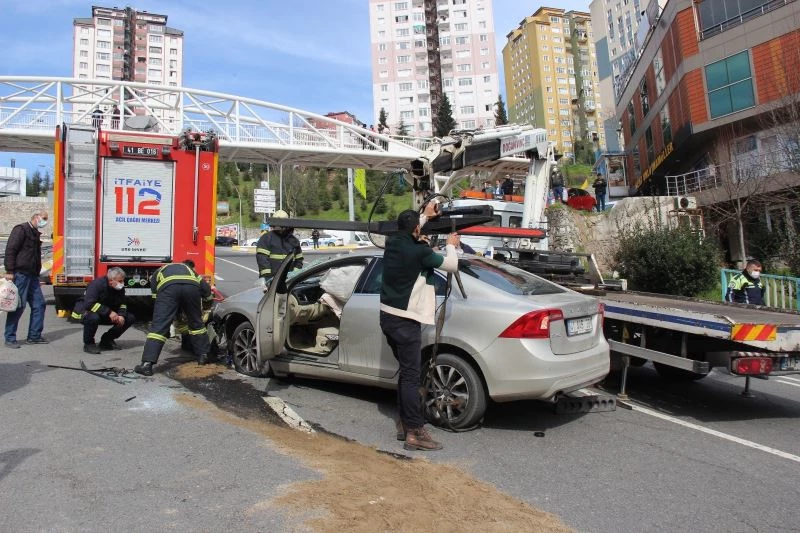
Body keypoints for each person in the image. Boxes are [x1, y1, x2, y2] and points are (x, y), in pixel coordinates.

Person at [380, 205, 460, 451]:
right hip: (406, 321)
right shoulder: (419, 252)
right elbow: (452, 266)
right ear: (416, 229)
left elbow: (411, 228)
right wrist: (451, 245)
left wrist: (424, 216)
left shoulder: (392, 243)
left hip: (388, 317)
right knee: (412, 376)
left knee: (406, 373)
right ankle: (415, 431)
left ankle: (405, 424)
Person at [134, 260, 212, 376]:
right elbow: (206, 290)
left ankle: (146, 365)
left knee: (159, 327)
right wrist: (206, 304)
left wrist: (169, 312)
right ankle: (203, 356)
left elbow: (156, 298)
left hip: (168, 289)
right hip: (192, 289)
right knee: (196, 323)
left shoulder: (159, 271)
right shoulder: (190, 271)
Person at [3, 210, 49, 348]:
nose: (45, 221)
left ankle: (34, 336)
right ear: (36, 217)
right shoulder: (21, 229)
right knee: (18, 306)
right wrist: (10, 270)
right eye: (44, 218)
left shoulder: (35, 233)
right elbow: (11, 250)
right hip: (20, 274)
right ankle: (10, 338)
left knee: (39, 304)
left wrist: (37, 274)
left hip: (32, 276)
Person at [71, 267, 134, 354]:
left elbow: (122, 303)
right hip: (85, 311)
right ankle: (89, 344)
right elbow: (89, 304)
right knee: (93, 317)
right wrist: (109, 312)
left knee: (129, 318)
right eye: (120, 281)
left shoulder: (119, 288)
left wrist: (121, 315)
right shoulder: (96, 285)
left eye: (122, 281)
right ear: (111, 280)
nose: (122, 284)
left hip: (104, 313)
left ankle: (106, 340)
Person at [256, 210, 303, 282]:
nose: (279, 227)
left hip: (289, 280)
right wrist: (268, 279)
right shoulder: (266, 238)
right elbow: (262, 259)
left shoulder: (293, 240)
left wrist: (294, 274)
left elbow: (299, 260)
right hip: (272, 280)